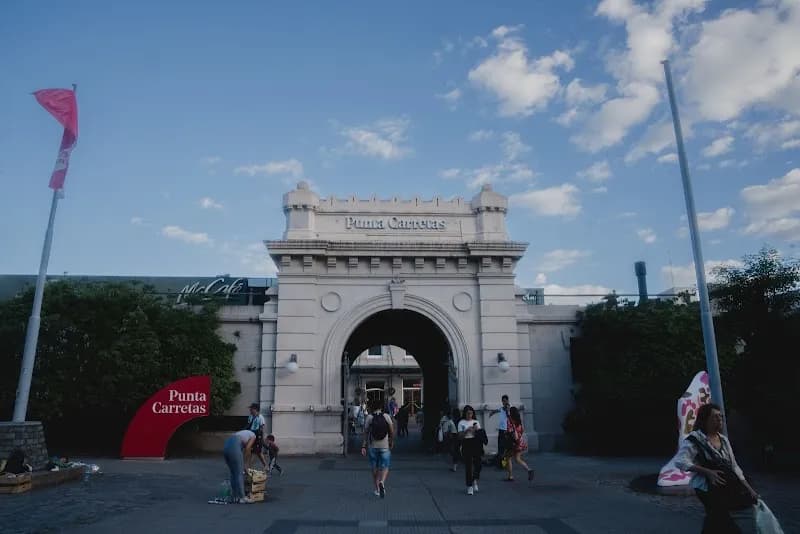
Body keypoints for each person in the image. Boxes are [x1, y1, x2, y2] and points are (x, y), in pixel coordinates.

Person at [675, 403, 759, 533]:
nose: (720, 419)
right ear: (705, 419)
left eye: (721, 416)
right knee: (721, 518)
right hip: (705, 488)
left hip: (723, 487)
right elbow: (680, 461)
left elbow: (734, 466)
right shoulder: (695, 439)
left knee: (715, 519)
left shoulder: (724, 440)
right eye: (715, 417)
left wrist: (749, 488)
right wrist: (707, 472)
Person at [361, 399, 394, 498]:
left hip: (373, 447)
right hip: (385, 447)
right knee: (385, 466)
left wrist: (363, 446)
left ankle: (377, 489)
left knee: (374, 467)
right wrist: (391, 441)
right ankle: (382, 482)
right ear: (381, 407)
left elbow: (366, 433)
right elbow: (392, 431)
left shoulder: (369, 418)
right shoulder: (386, 416)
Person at [223, 429, 256, 504]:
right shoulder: (253, 436)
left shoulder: (243, 433)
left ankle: (234, 496)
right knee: (239, 473)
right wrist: (245, 465)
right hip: (234, 445)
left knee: (233, 472)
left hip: (226, 446)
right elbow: (248, 448)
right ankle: (242, 497)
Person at [503, 406, 534, 482]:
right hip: (520, 442)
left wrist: (506, 433)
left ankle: (510, 476)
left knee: (508, 458)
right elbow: (521, 431)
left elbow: (509, 431)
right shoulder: (519, 422)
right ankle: (529, 469)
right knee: (517, 459)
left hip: (513, 443)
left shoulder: (510, 421)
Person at [458, 405, 483, 495]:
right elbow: (460, 437)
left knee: (478, 464)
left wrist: (475, 431)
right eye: (468, 413)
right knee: (468, 465)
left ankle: (474, 479)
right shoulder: (461, 423)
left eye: (471, 413)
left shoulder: (476, 422)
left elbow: (480, 435)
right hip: (466, 443)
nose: (470, 415)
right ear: (465, 414)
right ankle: (469, 486)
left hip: (475, 443)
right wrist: (467, 431)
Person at [490, 395, 512, 468]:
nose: (504, 402)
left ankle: (504, 464)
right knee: (500, 447)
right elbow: (498, 410)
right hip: (501, 430)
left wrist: (507, 409)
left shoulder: (508, 408)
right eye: (503, 401)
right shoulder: (502, 408)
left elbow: (509, 415)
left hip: (506, 430)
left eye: (505, 401)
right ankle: (501, 463)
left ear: (508, 401)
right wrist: (492, 412)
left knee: (504, 447)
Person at [246, 403, 267, 469]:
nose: (250, 410)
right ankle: (249, 467)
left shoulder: (260, 417)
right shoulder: (250, 417)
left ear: (255, 409)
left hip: (257, 436)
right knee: (254, 452)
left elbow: (262, 428)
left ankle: (249, 468)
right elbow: (249, 426)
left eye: (251, 409)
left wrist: (262, 439)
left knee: (256, 452)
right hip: (251, 435)